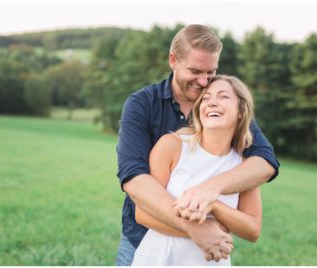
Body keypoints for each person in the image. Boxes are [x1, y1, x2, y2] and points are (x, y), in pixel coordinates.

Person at [116, 24, 279, 265]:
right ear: (173, 60)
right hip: (143, 239)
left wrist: (211, 190)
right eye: (195, 71)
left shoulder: (221, 109)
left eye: (211, 72)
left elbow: (266, 162)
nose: (204, 82)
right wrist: (196, 229)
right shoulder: (143, 105)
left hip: (208, 252)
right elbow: (134, 177)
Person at [132, 74, 261, 265]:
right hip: (159, 259)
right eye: (206, 98)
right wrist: (200, 231)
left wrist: (214, 205)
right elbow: (142, 214)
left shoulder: (244, 165)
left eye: (223, 97)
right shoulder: (172, 145)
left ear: (241, 110)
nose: (212, 103)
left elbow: (252, 230)